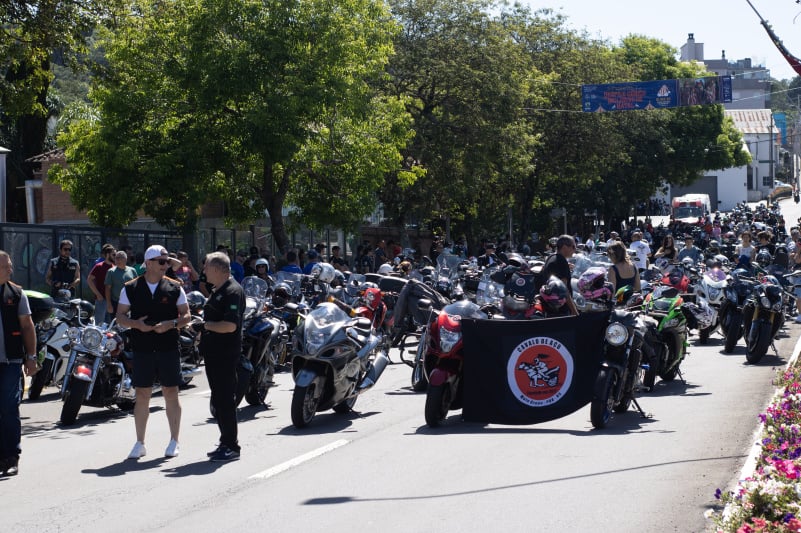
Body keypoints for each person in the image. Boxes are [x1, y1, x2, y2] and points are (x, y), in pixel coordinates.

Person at [116, 245, 190, 460]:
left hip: (167, 345)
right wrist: (136, 325)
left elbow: (187, 316)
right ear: (148, 263)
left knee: (170, 392)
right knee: (142, 394)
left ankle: (174, 440)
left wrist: (172, 323)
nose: (165, 265)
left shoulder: (175, 287)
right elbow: (120, 316)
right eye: (161, 261)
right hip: (142, 347)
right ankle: (140, 442)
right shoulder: (130, 287)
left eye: (167, 261)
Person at [198, 251, 245, 462]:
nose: (204, 270)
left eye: (206, 266)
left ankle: (231, 446)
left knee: (225, 401)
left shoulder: (233, 291)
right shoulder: (219, 289)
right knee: (218, 400)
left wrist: (205, 325)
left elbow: (230, 325)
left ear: (217, 269)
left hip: (224, 353)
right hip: (214, 353)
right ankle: (225, 441)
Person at [0, 251, 38, 477]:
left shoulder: (16, 293)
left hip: (10, 361)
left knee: (8, 408)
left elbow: (27, 326)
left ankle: (12, 457)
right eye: (6, 267)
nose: (10, 269)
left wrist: (31, 357)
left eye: (10, 266)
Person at [540, 235, 578, 315]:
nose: (575, 249)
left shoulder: (551, 257)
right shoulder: (561, 261)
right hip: (561, 309)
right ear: (564, 247)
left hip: (550, 306)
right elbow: (564, 290)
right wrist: (574, 311)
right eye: (573, 246)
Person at [87, 243, 116, 325]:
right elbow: (89, 280)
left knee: (110, 325)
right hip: (101, 300)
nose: (115, 256)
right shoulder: (99, 266)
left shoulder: (114, 267)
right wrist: (98, 294)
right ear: (107, 255)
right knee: (99, 325)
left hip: (112, 300)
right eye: (113, 254)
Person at [105, 250, 137, 321]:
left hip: (130, 303)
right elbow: (107, 289)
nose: (117, 260)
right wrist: (109, 304)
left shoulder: (132, 270)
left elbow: (136, 286)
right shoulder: (111, 271)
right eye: (116, 258)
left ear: (125, 259)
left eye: (120, 258)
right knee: (115, 325)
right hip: (116, 303)